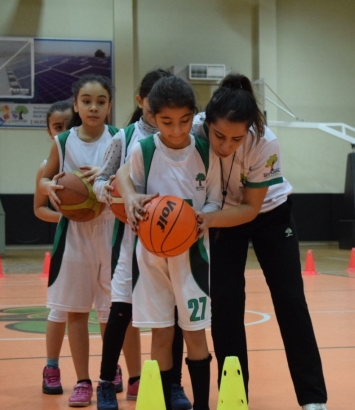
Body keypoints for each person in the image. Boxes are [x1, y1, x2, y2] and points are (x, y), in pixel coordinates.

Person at [195, 74, 329, 410]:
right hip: (222, 215)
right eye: (219, 136)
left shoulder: (265, 142)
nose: (226, 146)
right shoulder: (194, 129)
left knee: (290, 301)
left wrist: (206, 220)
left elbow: (251, 209)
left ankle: (313, 398)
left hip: (269, 214)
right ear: (207, 122)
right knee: (225, 306)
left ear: (250, 130)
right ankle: (234, 395)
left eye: (236, 139)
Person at [92, 68, 192, 410]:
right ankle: (106, 382)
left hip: (172, 240)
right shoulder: (126, 137)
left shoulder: (186, 139)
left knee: (175, 315)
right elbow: (103, 179)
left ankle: (174, 384)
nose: (158, 113)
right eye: (153, 106)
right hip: (130, 239)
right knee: (120, 311)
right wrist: (111, 193)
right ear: (143, 102)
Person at [116, 76, 214, 410]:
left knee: (195, 332)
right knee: (160, 333)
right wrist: (130, 198)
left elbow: (214, 201)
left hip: (194, 254)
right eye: (167, 122)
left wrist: (202, 218)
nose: (176, 130)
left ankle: (201, 404)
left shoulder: (204, 149)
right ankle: (161, 402)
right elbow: (123, 177)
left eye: (184, 121)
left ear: (193, 116)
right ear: (152, 117)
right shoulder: (143, 149)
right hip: (152, 254)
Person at [39, 74, 118, 407]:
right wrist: (47, 187)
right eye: (86, 101)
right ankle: (82, 380)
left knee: (110, 310)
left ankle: (108, 372)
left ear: (109, 106)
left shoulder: (119, 138)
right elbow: (45, 177)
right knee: (74, 311)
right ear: (76, 105)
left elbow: (128, 177)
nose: (93, 107)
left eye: (101, 101)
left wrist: (103, 175)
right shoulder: (64, 141)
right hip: (73, 233)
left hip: (110, 227)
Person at [35, 100, 76, 396]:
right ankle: (51, 366)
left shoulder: (88, 158)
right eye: (56, 127)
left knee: (106, 308)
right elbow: (39, 209)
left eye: (66, 125)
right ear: (49, 131)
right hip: (67, 240)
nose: (62, 130)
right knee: (59, 310)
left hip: (98, 240)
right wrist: (66, 214)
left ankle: (110, 366)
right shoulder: (46, 168)